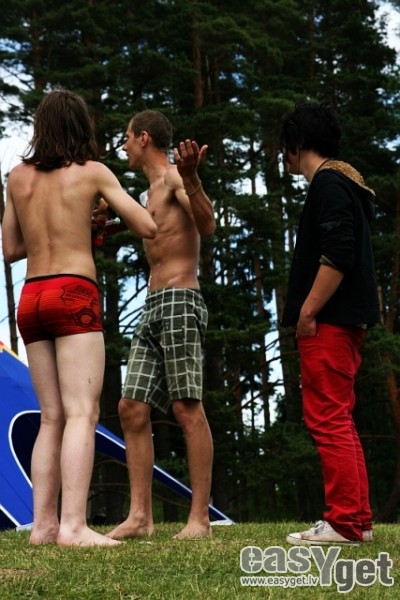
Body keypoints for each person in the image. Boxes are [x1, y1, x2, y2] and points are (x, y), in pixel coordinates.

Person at [1, 90, 157, 547]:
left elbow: (10, 249)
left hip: (32, 297)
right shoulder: (93, 172)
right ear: (81, 126)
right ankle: (73, 526)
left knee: (51, 416)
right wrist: (96, 218)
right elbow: (147, 225)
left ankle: (43, 527)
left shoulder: (17, 177)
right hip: (73, 293)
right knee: (82, 413)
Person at [106, 110, 215, 541]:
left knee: (186, 408)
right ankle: (140, 518)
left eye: (127, 137)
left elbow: (208, 224)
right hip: (152, 305)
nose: (123, 145)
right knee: (131, 407)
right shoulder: (147, 192)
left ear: (144, 137)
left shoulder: (172, 179)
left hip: (181, 299)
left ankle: (199, 520)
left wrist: (192, 179)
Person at [279, 102, 380, 545]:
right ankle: (358, 520)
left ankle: (343, 523)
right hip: (345, 321)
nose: (283, 155)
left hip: (330, 322)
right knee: (339, 416)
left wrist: (307, 311)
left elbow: (338, 252)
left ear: (297, 142)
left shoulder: (328, 183)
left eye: (285, 145)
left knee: (327, 417)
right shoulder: (344, 182)